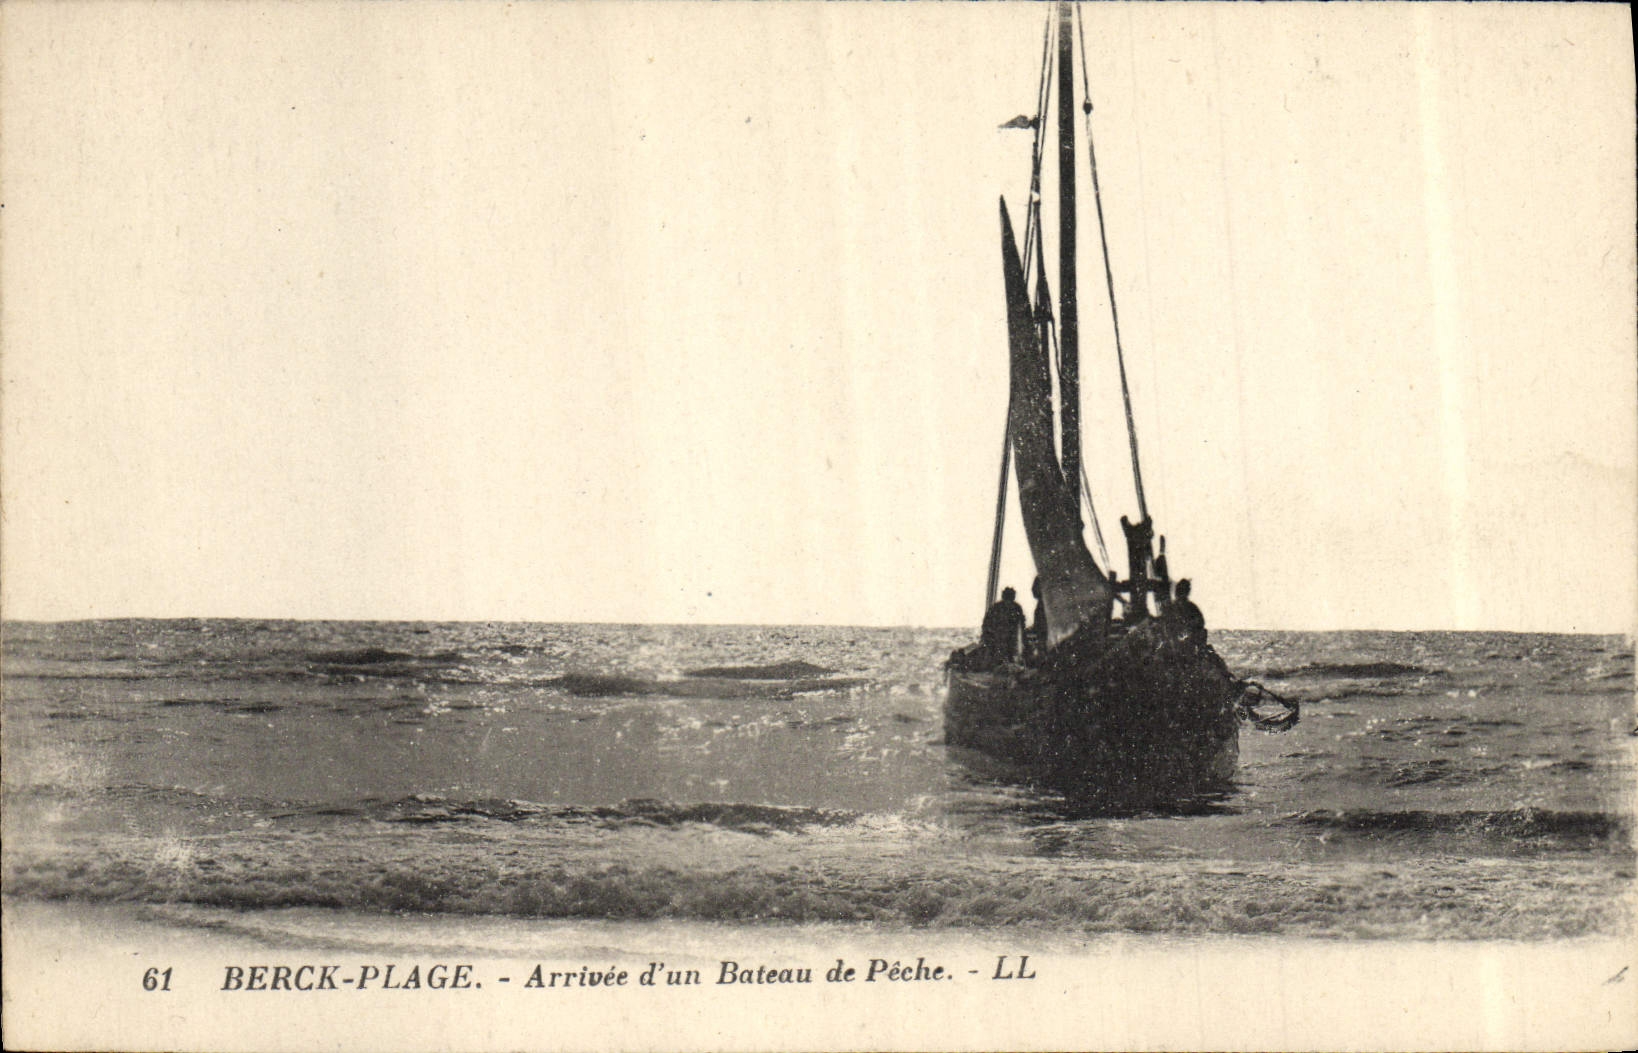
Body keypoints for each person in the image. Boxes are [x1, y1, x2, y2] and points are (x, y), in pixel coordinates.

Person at [980, 586, 1027, 666]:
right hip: (999, 639)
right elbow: (986, 625)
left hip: (1006, 640)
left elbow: (1021, 625)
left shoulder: (1013, 608)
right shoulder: (1014, 607)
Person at [1168, 578, 1208, 646]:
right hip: (1187, 642)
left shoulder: (1171, 607)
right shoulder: (1191, 607)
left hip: (1177, 641)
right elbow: (1201, 622)